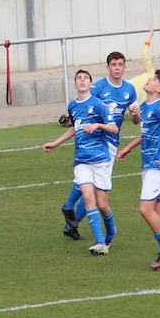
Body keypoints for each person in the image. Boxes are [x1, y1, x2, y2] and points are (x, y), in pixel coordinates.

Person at [59, 49, 141, 243]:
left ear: (124, 67)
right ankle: (73, 216)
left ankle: (71, 223)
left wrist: (135, 113)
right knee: (91, 187)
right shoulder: (97, 88)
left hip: (111, 142)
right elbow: (82, 108)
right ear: (108, 67)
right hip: (94, 140)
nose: (117, 68)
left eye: (120, 64)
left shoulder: (129, 89)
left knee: (93, 188)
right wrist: (68, 120)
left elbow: (136, 121)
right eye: (114, 65)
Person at [116, 69, 160, 269]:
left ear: (159, 88)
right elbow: (146, 132)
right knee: (157, 209)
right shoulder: (147, 106)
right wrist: (129, 147)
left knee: (144, 209)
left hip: (159, 166)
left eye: (154, 79)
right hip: (148, 164)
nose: (149, 79)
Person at [44, 70, 121, 255]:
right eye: (79, 78)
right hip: (81, 161)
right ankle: (100, 243)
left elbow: (114, 128)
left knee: (102, 205)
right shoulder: (72, 106)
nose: (82, 81)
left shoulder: (98, 105)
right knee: (88, 197)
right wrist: (56, 143)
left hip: (100, 160)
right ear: (75, 84)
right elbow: (74, 128)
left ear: (90, 84)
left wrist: (98, 125)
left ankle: (111, 230)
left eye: (85, 78)